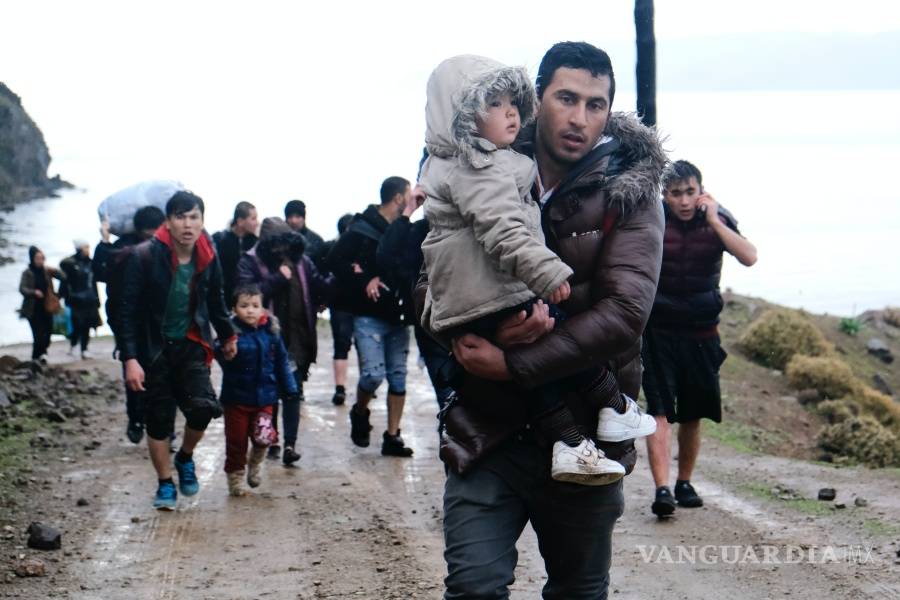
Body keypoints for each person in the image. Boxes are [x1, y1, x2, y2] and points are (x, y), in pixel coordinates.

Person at [415, 42, 666, 598]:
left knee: (579, 591)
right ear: (538, 98)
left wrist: (513, 362)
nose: (580, 118)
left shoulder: (631, 192)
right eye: (566, 99)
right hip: (488, 431)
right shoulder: (475, 162)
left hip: (587, 440)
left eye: (596, 105)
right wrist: (464, 331)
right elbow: (426, 281)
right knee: (474, 589)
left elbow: (625, 314)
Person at [643, 160, 758, 518]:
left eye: (690, 192)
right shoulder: (651, 218)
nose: (683, 200)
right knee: (659, 411)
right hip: (658, 333)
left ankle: (684, 483)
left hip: (702, 332)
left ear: (701, 191)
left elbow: (749, 256)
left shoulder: (717, 218)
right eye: (675, 193)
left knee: (693, 414)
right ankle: (662, 489)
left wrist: (714, 221)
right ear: (664, 194)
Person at [119, 190, 238, 510]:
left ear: (202, 221)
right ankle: (164, 483)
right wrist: (130, 358)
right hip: (153, 349)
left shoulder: (208, 255)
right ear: (168, 222)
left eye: (194, 217)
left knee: (203, 408)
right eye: (180, 217)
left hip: (191, 343)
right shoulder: (144, 256)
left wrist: (228, 335)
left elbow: (216, 299)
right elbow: (127, 312)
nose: (188, 224)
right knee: (158, 420)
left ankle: (185, 457)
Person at [326, 176, 415, 457]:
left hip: (399, 315)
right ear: (399, 198)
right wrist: (364, 279)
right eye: (409, 194)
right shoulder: (361, 228)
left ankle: (393, 436)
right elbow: (334, 260)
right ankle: (360, 411)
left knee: (398, 377)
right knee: (373, 375)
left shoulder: (404, 229)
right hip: (368, 315)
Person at [237, 217, 333, 465]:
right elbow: (246, 296)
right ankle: (272, 439)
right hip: (265, 339)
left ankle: (290, 444)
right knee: (270, 392)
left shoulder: (302, 262)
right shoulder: (250, 261)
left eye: (286, 245)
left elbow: (319, 286)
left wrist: (337, 279)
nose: (282, 250)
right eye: (277, 245)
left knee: (293, 391)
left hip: (298, 338)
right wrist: (278, 278)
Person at [376, 185, 454, 413]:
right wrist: (408, 210)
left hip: (474, 318)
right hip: (431, 325)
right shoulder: (418, 230)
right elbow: (385, 256)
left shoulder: (471, 223)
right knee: (449, 399)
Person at [216, 283, 298, 496]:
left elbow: (281, 361)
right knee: (236, 441)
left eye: (255, 305)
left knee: (264, 436)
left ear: (263, 308)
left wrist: (290, 388)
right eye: (244, 306)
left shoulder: (271, 331)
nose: (250, 310)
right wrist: (224, 350)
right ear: (234, 309)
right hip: (236, 399)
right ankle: (235, 479)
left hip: (265, 398)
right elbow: (218, 351)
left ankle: (255, 462)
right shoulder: (230, 332)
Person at [93, 205, 166, 444]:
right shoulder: (122, 249)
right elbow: (100, 272)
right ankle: (135, 418)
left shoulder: (168, 248)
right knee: (134, 370)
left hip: (158, 321)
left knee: (164, 375)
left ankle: (164, 428)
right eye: (148, 236)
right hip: (129, 321)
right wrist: (104, 240)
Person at [319, 213, 355, 405]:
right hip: (341, 304)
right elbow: (322, 275)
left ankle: (357, 387)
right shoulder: (331, 248)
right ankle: (340, 388)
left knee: (350, 345)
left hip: (352, 305)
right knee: (342, 345)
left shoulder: (362, 248)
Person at [18, 246, 64, 362]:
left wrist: (58, 294)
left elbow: (63, 277)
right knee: (38, 334)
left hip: (47, 306)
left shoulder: (46, 271)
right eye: (38, 258)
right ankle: (38, 356)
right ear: (32, 259)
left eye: (42, 258)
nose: (40, 261)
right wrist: (34, 292)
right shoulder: (27, 273)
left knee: (48, 332)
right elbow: (22, 288)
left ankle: (40, 354)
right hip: (33, 309)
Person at [59, 241, 102, 359]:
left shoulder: (90, 263)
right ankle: (74, 345)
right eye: (86, 247)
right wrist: (62, 296)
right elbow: (64, 281)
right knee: (77, 324)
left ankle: (84, 348)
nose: (88, 249)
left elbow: (94, 283)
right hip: (75, 300)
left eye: (88, 247)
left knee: (87, 324)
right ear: (79, 249)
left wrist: (97, 299)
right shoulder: (70, 263)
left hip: (90, 300)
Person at [212, 202, 259, 307]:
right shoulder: (219, 240)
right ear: (240, 221)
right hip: (223, 298)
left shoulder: (256, 243)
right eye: (253, 219)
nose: (257, 223)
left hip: (249, 300)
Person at [284, 199, 325, 267]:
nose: (294, 221)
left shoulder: (316, 240)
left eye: (297, 216)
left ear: (304, 218)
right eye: (290, 217)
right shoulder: (279, 240)